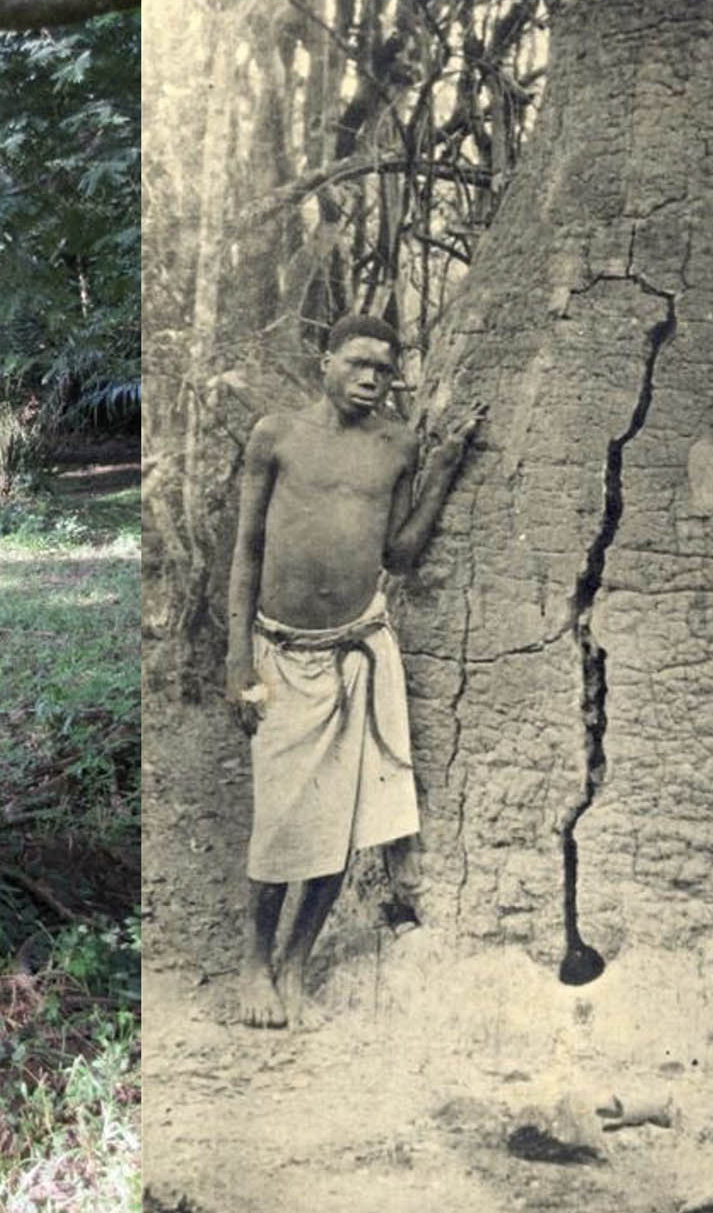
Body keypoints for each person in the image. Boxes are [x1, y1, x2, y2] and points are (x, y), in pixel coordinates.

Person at [225, 313, 483, 1028]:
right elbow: (246, 551)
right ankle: (255, 962)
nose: (371, 379)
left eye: (384, 368)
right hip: (280, 655)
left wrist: (442, 472)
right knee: (278, 822)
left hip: (359, 655)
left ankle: (297, 968)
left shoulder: (397, 446)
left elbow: (398, 555)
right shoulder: (276, 436)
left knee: (342, 827)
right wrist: (236, 659)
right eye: (359, 363)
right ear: (326, 361)